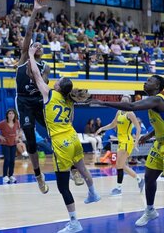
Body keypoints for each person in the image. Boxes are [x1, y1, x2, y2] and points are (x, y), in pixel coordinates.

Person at [91, 75, 164, 233]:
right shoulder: (153, 101)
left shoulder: (157, 100)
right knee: (149, 177)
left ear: (157, 87)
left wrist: (102, 102)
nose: (145, 82)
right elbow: (162, 124)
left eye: (150, 81)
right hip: (160, 142)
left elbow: (131, 106)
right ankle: (150, 211)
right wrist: (147, 137)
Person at [28, 45, 101, 233]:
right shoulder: (70, 100)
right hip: (73, 137)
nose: (55, 82)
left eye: (58, 81)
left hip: (61, 142)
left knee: (62, 186)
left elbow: (36, 75)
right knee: (82, 168)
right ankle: (93, 193)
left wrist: (29, 54)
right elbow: (71, 120)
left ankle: (74, 222)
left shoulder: (50, 94)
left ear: (59, 87)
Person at [15, 0, 82, 193]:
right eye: (36, 45)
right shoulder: (22, 59)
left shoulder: (45, 66)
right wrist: (35, 10)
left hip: (39, 100)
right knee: (30, 139)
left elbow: (41, 82)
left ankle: (72, 168)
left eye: (40, 45)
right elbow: (28, 33)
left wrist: (35, 68)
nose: (39, 46)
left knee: (58, 130)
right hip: (24, 102)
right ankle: (38, 176)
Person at [95, 95, 144, 196]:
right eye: (122, 100)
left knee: (119, 165)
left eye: (125, 101)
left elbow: (138, 128)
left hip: (127, 142)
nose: (123, 102)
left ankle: (119, 188)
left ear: (129, 102)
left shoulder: (130, 113)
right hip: (121, 141)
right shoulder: (119, 112)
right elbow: (113, 124)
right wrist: (102, 129)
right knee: (121, 165)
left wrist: (136, 142)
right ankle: (139, 180)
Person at [0, 109, 21, 184]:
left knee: (12, 160)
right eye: (9, 113)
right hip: (5, 143)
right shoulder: (3, 123)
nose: (11, 115)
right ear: (7, 115)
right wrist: (0, 136)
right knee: (7, 159)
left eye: (12, 113)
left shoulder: (17, 122)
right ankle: (5, 176)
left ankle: (11, 175)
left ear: (15, 115)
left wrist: (17, 136)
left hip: (13, 143)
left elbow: (19, 129)